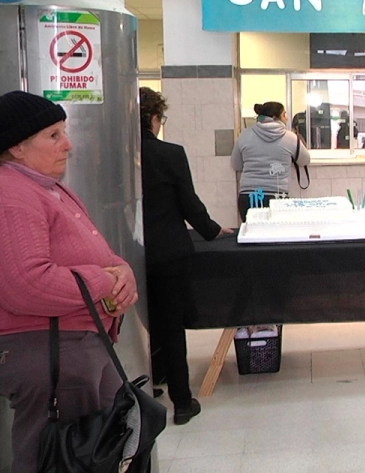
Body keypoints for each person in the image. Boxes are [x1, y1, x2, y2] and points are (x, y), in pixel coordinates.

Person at [0, 91, 139, 472]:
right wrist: (102, 281)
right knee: (62, 457)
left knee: (102, 449)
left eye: (65, 131)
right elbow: (26, 285)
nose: (68, 144)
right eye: (53, 135)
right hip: (50, 351)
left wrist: (122, 273)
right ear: (17, 146)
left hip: (80, 343)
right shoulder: (12, 194)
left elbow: (94, 253)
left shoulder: (49, 188)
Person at [139, 87, 232, 425]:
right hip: (169, 253)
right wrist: (211, 230)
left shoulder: (112, 157)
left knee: (135, 326)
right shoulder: (170, 153)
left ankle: (142, 387)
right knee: (171, 325)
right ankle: (181, 402)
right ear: (153, 118)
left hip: (126, 252)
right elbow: (188, 203)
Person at [232, 101, 309, 222]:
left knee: (252, 236)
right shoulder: (290, 137)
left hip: (248, 197)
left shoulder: (244, 135)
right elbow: (304, 160)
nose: (287, 118)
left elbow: (236, 164)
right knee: (276, 236)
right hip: (277, 197)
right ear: (275, 117)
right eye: (284, 114)